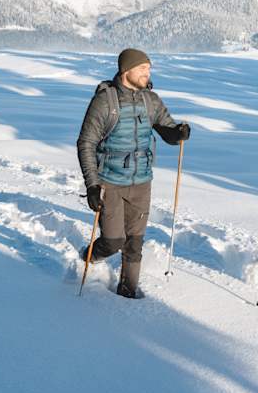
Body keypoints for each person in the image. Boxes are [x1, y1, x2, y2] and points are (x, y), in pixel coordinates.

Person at [76, 48, 190, 298]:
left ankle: (128, 294)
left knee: (134, 243)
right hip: (111, 182)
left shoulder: (151, 100)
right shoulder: (106, 101)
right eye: (143, 68)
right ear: (126, 70)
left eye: (149, 68)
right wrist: (92, 185)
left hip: (141, 182)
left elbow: (166, 127)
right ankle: (88, 257)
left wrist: (177, 133)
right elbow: (86, 143)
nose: (148, 73)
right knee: (114, 241)